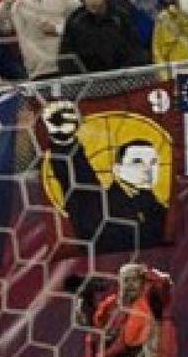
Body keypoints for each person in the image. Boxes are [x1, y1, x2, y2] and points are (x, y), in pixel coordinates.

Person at [42, 99, 168, 255]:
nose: (147, 169)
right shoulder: (96, 202)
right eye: (137, 162)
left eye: (153, 162)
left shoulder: (158, 209)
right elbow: (77, 177)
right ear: (117, 169)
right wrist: (64, 140)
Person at [82, 263, 177, 357]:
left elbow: (123, 343)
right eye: (126, 280)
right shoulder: (111, 303)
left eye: (134, 280)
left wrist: (101, 356)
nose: (130, 285)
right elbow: (96, 328)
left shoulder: (141, 307)